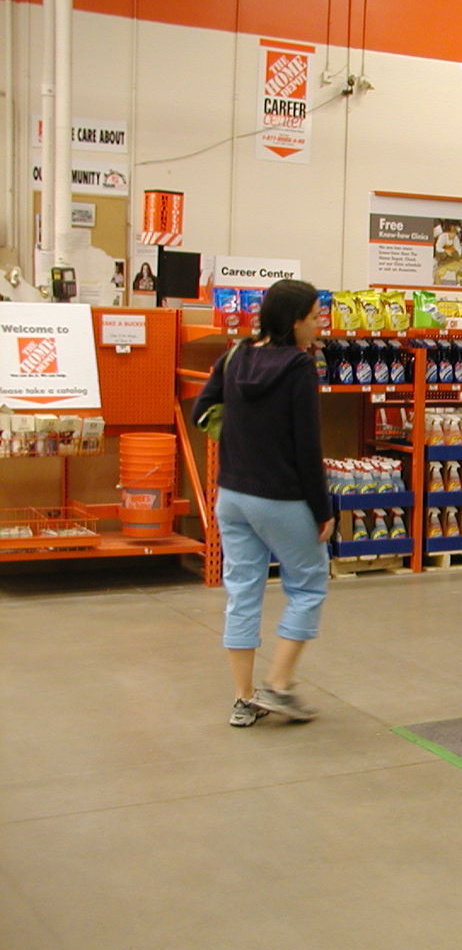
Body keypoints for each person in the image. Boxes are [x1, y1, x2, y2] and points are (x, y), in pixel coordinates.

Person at [191, 278, 333, 727]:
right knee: (308, 586)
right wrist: (323, 509)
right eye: (314, 316)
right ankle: (278, 685)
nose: (320, 323)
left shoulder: (235, 355)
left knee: (243, 592)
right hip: (282, 497)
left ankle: (243, 698)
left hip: (231, 495)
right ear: (295, 323)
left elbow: (201, 410)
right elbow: (307, 447)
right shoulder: (298, 367)